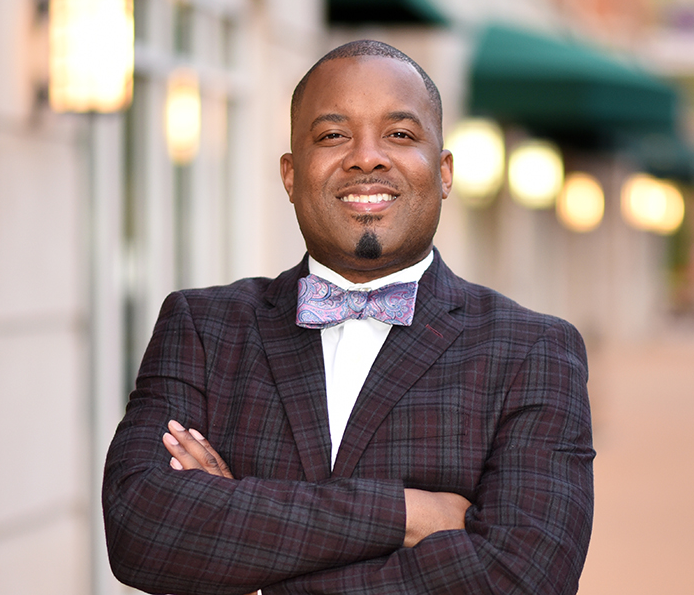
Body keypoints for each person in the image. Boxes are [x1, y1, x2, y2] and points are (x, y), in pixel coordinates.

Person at [102, 40, 595, 595]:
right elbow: (139, 527)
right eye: (333, 135)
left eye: (401, 135)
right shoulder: (203, 326)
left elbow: (525, 576)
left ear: (444, 171)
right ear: (290, 174)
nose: (366, 157)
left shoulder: (532, 349)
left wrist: (253, 558)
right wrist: (406, 514)